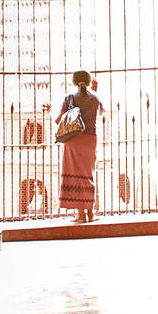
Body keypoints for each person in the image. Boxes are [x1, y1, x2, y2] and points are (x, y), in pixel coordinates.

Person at [56, 71, 103, 223]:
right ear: (89, 81)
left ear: (74, 81)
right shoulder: (95, 98)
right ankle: (91, 214)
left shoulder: (69, 98)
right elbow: (101, 114)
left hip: (73, 140)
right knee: (88, 175)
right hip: (90, 140)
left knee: (75, 176)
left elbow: (59, 120)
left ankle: (80, 214)